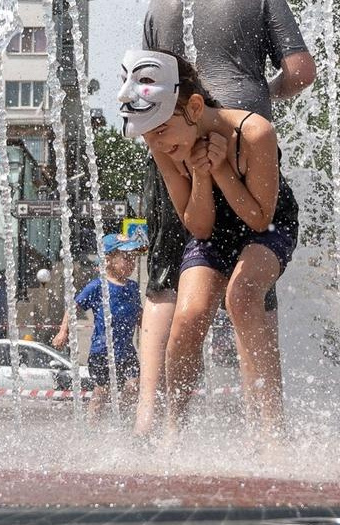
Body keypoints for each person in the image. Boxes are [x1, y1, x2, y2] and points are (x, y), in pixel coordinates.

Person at [135, 0, 315, 437]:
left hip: (183, 151)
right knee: (247, 293)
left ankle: (151, 419)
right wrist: (259, 94)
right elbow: (301, 72)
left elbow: (145, 84)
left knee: (167, 282)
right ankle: (265, 420)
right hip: (234, 150)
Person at [119, 50, 298, 437]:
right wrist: (201, 175)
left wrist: (220, 169)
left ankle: (270, 431)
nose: (158, 143)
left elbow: (258, 218)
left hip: (267, 228)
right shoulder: (162, 145)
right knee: (188, 315)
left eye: (162, 130)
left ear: (195, 106)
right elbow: (198, 228)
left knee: (243, 295)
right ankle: (173, 432)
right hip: (213, 232)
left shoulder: (254, 133)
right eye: (149, 135)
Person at [52, 233, 145, 418]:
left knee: (134, 385)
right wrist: (63, 332)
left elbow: (140, 315)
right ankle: (92, 425)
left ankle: (122, 419)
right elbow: (73, 307)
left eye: (133, 258)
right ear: (108, 260)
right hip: (102, 351)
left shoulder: (133, 287)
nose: (132, 262)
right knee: (102, 391)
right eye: (126, 258)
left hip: (126, 351)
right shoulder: (97, 286)